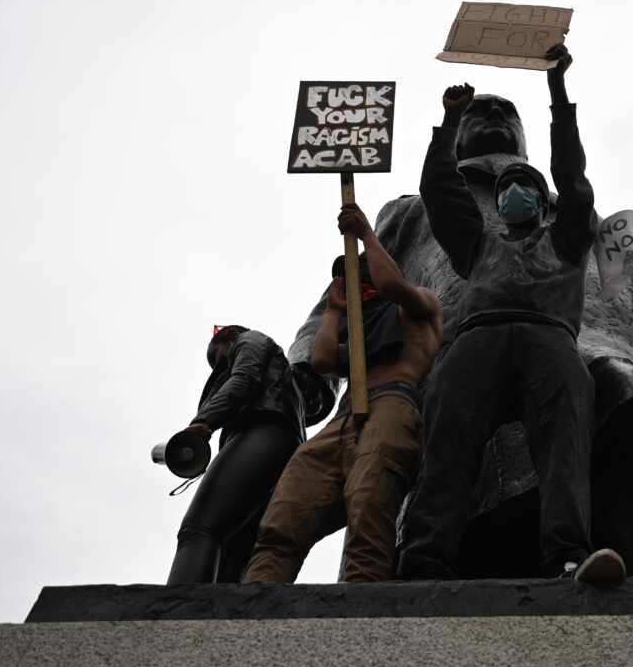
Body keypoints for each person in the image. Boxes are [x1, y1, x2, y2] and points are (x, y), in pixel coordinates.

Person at [397, 44, 625, 583]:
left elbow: (571, 173)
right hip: (476, 342)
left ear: (539, 196)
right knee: (448, 441)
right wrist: (450, 121)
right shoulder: (476, 245)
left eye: (525, 185)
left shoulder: (567, 237)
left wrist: (557, 91)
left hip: (550, 343)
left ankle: (568, 555)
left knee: (565, 445)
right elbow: (439, 188)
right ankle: (426, 555)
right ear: (496, 204)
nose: (514, 192)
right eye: (505, 189)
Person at [242, 204, 443, 583]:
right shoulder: (361, 333)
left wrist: (367, 234)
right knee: (285, 514)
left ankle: (361, 606)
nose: (359, 283)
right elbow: (322, 359)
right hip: (343, 420)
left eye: (361, 273)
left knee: (370, 510)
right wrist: (335, 309)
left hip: (391, 405)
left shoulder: (418, 306)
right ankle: (259, 597)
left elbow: (390, 286)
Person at [165, 324, 304, 584]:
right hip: (275, 440)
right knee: (234, 550)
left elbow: (244, 378)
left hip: (263, 430)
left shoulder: (249, 339)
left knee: (199, 529)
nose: (217, 366)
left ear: (224, 339)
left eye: (215, 357)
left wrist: (203, 422)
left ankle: (180, 616)